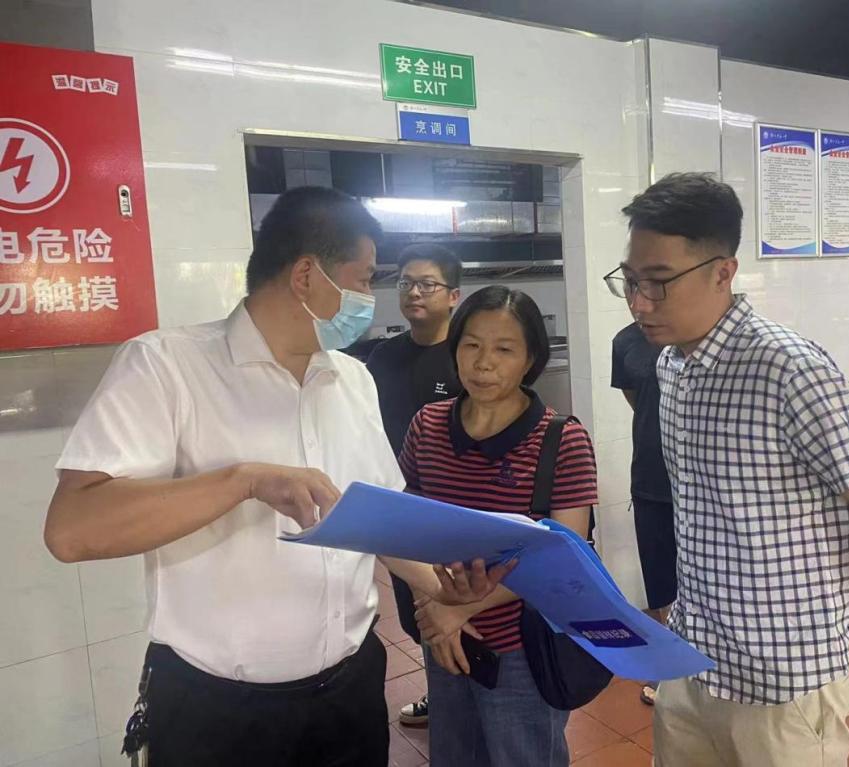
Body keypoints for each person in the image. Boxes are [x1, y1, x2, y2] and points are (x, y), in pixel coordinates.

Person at [42, 187, 507, 767]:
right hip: (218, 711)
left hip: (351, 690)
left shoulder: (352, 379)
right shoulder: (167, 366)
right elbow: (72, 530)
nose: (370, 300)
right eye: (364, 280)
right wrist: (243, 481)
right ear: (307, 275)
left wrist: (439, 585)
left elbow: (376, 516)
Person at [605, 172, 849, 766]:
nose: (640, 302)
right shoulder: (671, 366)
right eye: (631, 280)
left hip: (784, 678)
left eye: (660, 282)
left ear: (723, 271)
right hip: (691, 660)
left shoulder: (790, 369)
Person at [401, 286, 599, 767]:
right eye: (471, 344)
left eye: (504, 349)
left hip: (520, 647)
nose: (484, 363)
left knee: (523, 756)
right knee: (454, 753)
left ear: (531, 359)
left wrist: (460, 607)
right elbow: (400, 525)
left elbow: (565, 554)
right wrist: (436, 606)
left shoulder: (562, 440)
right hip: (441, 631)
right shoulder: (428, 425)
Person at [367, 242, 464, 726]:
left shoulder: (466, 355)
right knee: (413, 613)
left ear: (454, 295)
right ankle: (441, 691)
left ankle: (465, 698)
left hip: (455, 509)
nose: (414, 293)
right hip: (400, 507)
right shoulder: (383, 358)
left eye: (427, 284)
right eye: (405, 283)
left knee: (459, 605)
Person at [611, 321, 675, 706]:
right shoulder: (625, 342)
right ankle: (671, 666)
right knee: (660, 579)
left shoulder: (693, 334)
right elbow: (639, 401)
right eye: (630, 291)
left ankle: (713, 665)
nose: (639, 300)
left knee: (707, 580)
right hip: (650, 479)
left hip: (703, 484)